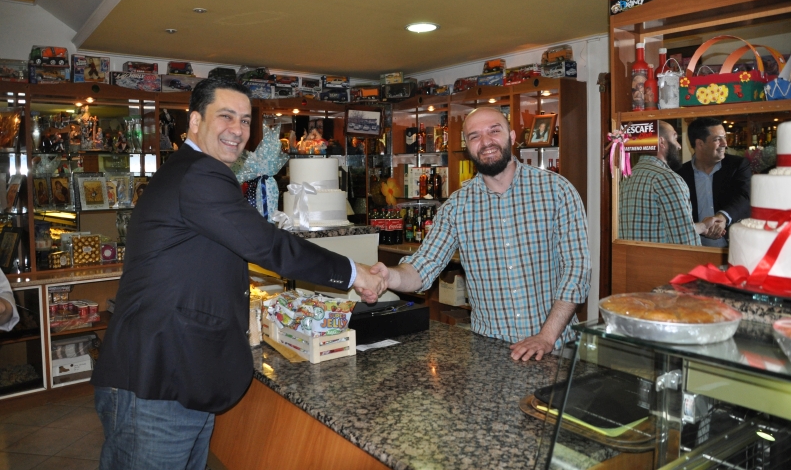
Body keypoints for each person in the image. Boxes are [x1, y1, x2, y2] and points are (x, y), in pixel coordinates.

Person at [91, 78, 386, 470]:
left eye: (245, 120)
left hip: (178, 373)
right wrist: (354, 273)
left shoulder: (191, 170)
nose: (238, 130)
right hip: (157, 377)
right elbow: (268, 245)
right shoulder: (199, 174)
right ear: (195, 121)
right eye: (226, 116)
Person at [370, 107, 590, 362]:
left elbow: (577, 268)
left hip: (556, 349)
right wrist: (388, 277)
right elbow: (422, 268)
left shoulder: (557, 190)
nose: (486, 142)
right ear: (468, 147)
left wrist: (546, 337)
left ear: (512, 136)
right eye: (475, 136)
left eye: (494, 131)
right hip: (491, 351)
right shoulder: (456, 207)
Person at [619, 121, 722, 245]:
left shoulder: (627, 178)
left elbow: (658, 227)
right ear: (661, 142)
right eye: (675, 138)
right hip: (660, 258)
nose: (679, 146)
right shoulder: (667, 179)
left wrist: (703, 226)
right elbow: (685, 241)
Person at [677, 117, 751, 247]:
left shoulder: (738, 165)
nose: (725, 144)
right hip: (694, 246)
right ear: (700, 144)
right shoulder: (680, 174)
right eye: (717, 139)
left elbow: (745, 196)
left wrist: (722, 217)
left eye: (724, 138)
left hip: (734, 246)